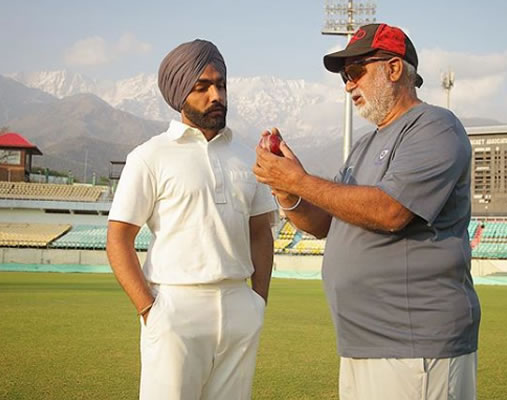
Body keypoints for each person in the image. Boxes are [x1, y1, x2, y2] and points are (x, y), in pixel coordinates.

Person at [253, 23, 481, 400]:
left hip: (415, 345)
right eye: (345, 75)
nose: (347, 84)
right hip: (363, 344)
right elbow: (323, 222)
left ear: (394, 69)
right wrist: (285, 188)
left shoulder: (435, 127)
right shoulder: (364, 145)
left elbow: (391, 211)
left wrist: (300, 181)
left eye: (356, 71)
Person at [106, 39, 277, 400]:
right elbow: (118, 238)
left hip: (238, 306)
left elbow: (260, 233)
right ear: (179, 94)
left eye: (221, 85)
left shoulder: (248, 157)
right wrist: (150, 310)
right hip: (174, 306)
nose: (216, 95)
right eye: (202, 87)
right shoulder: (149, 156)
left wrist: (257, 301)